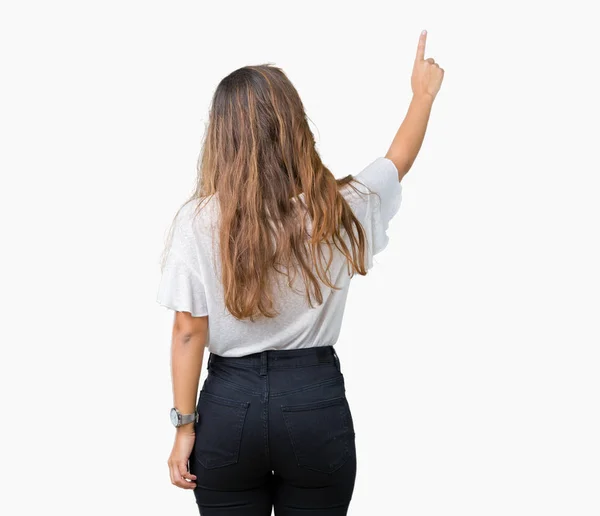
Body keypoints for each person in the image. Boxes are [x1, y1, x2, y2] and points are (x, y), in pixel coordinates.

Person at [156, 29, 444, 516]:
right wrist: (423, 95)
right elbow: (398, 161)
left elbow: (188, 330)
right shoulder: (341, 207)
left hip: (229, 408)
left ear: (222, 137)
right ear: (294, 128)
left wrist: (185, 427)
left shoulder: (198, 220)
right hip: (314, 403)